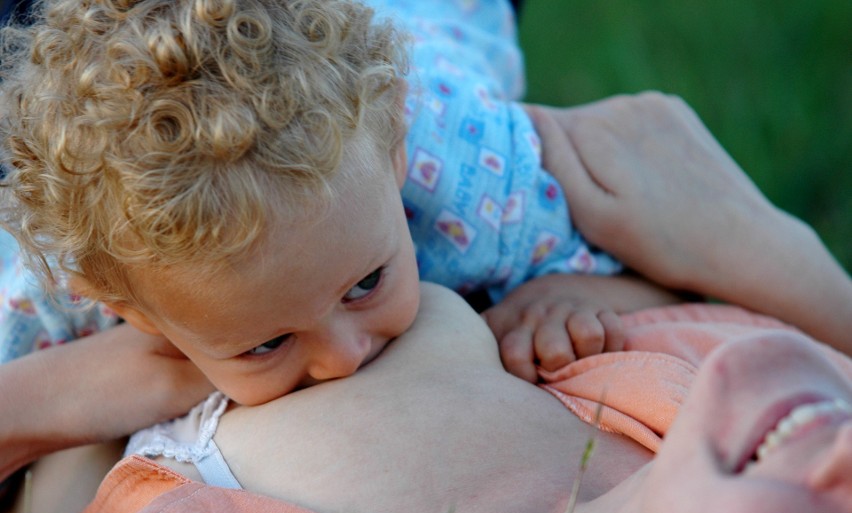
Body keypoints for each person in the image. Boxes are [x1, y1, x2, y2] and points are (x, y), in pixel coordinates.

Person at [2, 92, 851, 513]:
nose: (344, 358)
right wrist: (751, 262)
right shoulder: (695, 409)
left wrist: (52, 402)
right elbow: (649, 174)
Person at [0, 0, 681, 410]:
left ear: (393, 152)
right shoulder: (67, 280)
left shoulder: (481, 191)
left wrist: (572, 291)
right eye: (266, 342)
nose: (345, 358)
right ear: (128, 309)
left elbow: (666, 265)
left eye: (365, 283)